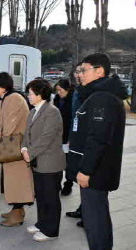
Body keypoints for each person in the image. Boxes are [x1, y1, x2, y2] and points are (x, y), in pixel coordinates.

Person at [67, 53, 127, 250]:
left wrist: (85, 170)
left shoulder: (102, 98)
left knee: (95, 219)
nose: (79, 75)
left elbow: (98, 138)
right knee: (95, 216)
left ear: (99, 70)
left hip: (95, 172)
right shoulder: (96, 95)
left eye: (83, 70)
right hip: (96, 169)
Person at [21, 79, 65, 242]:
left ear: (41, 94)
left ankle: (51, 230)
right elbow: (27, 134)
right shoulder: (33, 111)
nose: (28, 96)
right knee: (40, 194)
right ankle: (42, 223)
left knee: (50, 196)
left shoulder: (52, 112)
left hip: (50, 162)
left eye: (31, 94)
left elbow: (47, 137)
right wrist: (24, 148)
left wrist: (29, 152)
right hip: (36, 160)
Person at [0, 72, 34, 227]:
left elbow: (9, 126)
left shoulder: (13, 99)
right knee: (11, 180)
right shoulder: (5, 98)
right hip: (9, 147)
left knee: (17, 181)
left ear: (4, 86)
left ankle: (17, 213)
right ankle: (17, 210)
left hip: (14, 147)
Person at [65, 63, 85, 227]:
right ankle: (83, 208)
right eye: (77, 72)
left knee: (87, 176)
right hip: (76, 136)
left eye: (81, 71)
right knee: (79, 174)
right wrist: (72, 135)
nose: (78, 75)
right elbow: (75, 117)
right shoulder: (79, 91)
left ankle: (87, 213)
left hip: (87, 140)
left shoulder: (90, 93)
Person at [53, 79, 75, 196]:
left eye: (60, 90)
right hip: (58, 134)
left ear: (67, 89)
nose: (58, 93)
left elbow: (73, 118)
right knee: (57, 161)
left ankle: (68, 184)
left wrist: (72, 137)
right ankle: (57, 184)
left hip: (68, 134)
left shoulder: (73, 99)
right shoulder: (57, 99)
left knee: (67, 162)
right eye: (57, 90)